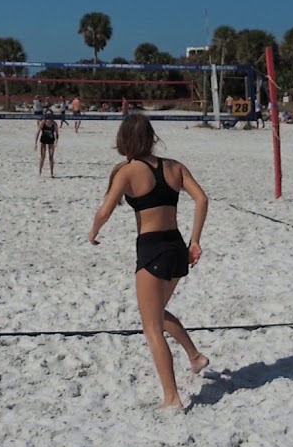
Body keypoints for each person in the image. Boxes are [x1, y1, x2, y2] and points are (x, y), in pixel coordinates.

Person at [88, 113, 212, 410]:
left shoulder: (128, 171)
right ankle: (195, 357)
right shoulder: (174, 167)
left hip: (152, 249)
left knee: (152, 327)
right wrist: (195, 241)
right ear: (151, 136)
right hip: (176, 246)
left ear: (124, 139)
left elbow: (105, 210)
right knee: (158, 312)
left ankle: (171, 397)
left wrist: (93, 232)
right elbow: (202, 199)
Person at [35, 110, 60, 177]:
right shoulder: (43, 122)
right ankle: (40, 171)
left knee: (51, 157)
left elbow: (57, 134)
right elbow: (38, 132)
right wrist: (35, 143)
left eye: (50, 114)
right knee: (42, 156)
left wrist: (56, 142)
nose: (48, 116)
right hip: (43, 140)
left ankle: (51, 173)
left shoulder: (54, 123)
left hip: (51, 140)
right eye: (47, 114)